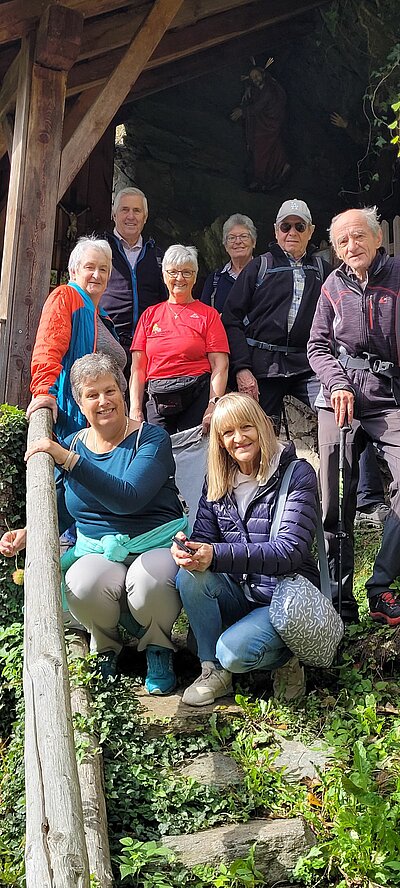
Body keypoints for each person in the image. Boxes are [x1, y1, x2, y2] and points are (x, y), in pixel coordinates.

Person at [1, 354, 188, 692]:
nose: (103, 401)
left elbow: (128, 497)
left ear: (123, 393)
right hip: (97, 547)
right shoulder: (74, 443)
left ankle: (159, 647)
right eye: (92, 395)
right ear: (80, 403)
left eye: (110, 391)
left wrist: (70, 461)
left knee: (149, 582)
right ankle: (106, 646)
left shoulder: (152, 439)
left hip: (154, 542)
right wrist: (29, 533)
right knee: (81, 583)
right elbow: (64, 505)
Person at [222, 197, 387, 528]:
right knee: (251, 426)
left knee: (351, 407)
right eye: (286, 226)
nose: (292, 232)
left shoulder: (322, 269)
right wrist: (242, 368)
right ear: (276, 230)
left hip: (305, 365)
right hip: (263, 366)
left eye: (300, 226)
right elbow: (231, 319)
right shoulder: (261, 265)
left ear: (311, 231)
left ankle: (367, 499)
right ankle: (253, 498)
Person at [171, 392, 320, 706]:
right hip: (240, 592)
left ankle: (286, 661)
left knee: (234, 652)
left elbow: (290, 551)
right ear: (220, 441)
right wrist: (191, 552)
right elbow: (205, 539)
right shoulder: (218, 478)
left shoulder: (296, 474)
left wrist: (217, 554)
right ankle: (212, 670)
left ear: (262, 426)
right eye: (227, 433)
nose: (238, 438)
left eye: (246, 427)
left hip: (284, 601)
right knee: (188, 577)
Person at [308, 206, 400, 626]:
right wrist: (338, 383)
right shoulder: (331, 285)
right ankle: (338, 602)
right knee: (333, 500)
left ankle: (380, 588)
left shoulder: (397, 277)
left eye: (358, 237)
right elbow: (317, 347)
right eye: (342, 241)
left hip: (388, 398)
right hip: (339, 398)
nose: (351, 246)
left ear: (377, 237)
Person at [27, 235, 126, 439]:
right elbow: (49, 345)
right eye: (90, 267)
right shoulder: (66, 297)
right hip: (76, 419)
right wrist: (44, 391)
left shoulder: (101, 314)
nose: (97, 275)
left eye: (103, 269)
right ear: (74, 271)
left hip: (105, 423)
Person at [129, 245, 229, 434]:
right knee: (157, 453)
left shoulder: (209, 315)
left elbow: (220, 364)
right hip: (158, 397)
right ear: (164, 275)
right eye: (173, 272)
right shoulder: (150, 315)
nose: (180, 278)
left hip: (196, 395)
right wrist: (135, 409)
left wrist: (212, 405)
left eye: (187, 272)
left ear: (195, 276)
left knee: (192, 455)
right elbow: (138, 367)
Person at [101, 187, 166, 380]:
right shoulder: (99, 249)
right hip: (107, 342)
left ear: (145, 217)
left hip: (148, 347)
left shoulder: (157, 255)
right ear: (114, 214)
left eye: (137, 211)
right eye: (125, 210)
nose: (131, 216)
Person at [231, 60, 290, 192]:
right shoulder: (259, 88)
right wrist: (248, 85)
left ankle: (261, 179)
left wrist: (243, 112)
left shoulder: (269, 89)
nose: (256, 79)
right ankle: (279, 169)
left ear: (263, 74)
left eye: (257, 76)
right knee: (273, 148)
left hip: (270, 125)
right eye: (253, 78)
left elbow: (259, 106)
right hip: (265, 124)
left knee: (260, 151)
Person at [200, 214, 257, 313]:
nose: (238, 241)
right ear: (225, 245)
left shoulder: (267, 275)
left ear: (253, 242)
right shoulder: (214, 281)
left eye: (243, 236)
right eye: (231, 238)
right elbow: (204, 317)